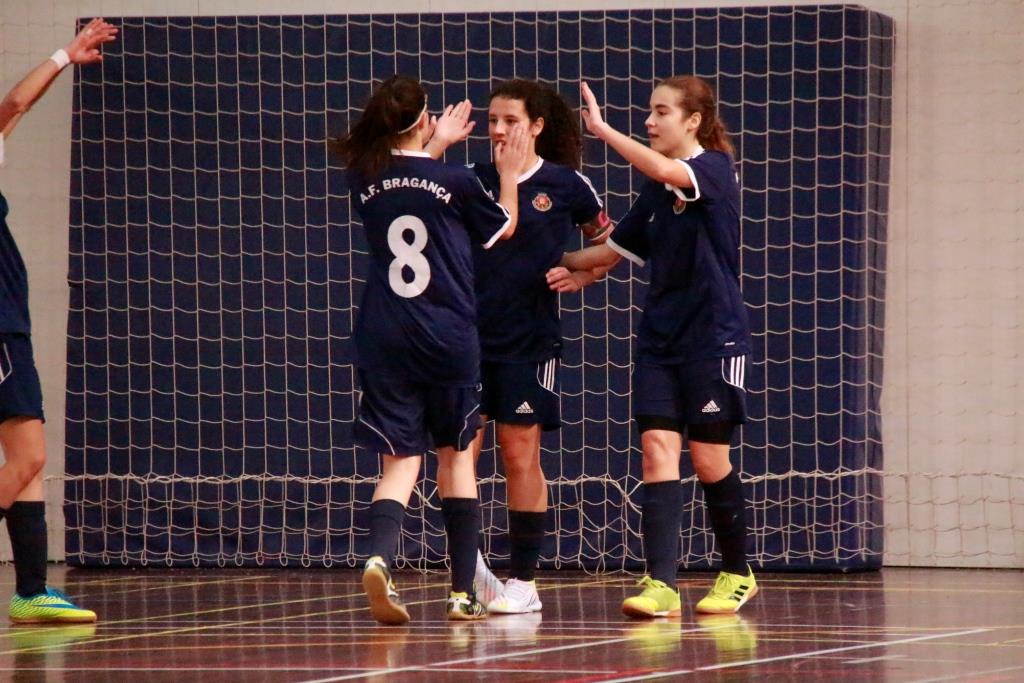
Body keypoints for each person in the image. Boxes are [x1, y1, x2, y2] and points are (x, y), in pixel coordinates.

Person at [330, 75, 527, 624]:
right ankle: (463, 592)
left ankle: (378, 557)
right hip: (446, 336)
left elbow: (405, 180)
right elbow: (502, 228)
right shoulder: (458, 180)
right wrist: (508, 177)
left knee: (398, 464)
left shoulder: (362, 179)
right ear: (423, 121)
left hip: (384, 337)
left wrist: (429, 145)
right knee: (456, 458)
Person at [558, 76, 757, 618]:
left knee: (709, 458)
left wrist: (602, 131)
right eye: (648, 112)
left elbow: (666, 168)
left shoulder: (711, 168)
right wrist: (551, 265)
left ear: (691, 121)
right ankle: (661, 584)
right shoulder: (654, 190)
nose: (649, 121)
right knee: (655, 451)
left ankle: (737, 572)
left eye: (660, 112)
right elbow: (609, 251)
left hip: (714, 338)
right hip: (660, 341)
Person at [431, 79, 611, 615]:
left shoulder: (567, 184)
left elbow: (611, 243)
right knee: (461, 454)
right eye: (491, 121)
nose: (498, 130)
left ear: (536, 126)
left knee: (520, 454)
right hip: (466, 340)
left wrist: (584, 277)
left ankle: (524, 582)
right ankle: (470, 576)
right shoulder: (469, 180)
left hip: (529, 342)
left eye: (510, 120)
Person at [0, 17, 117, 624]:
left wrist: (64, 59)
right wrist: (64, 55)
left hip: (8, 324)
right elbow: (14, 102)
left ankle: (30, 590)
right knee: (29, 457)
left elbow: (11, 111)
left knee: (25, 467)